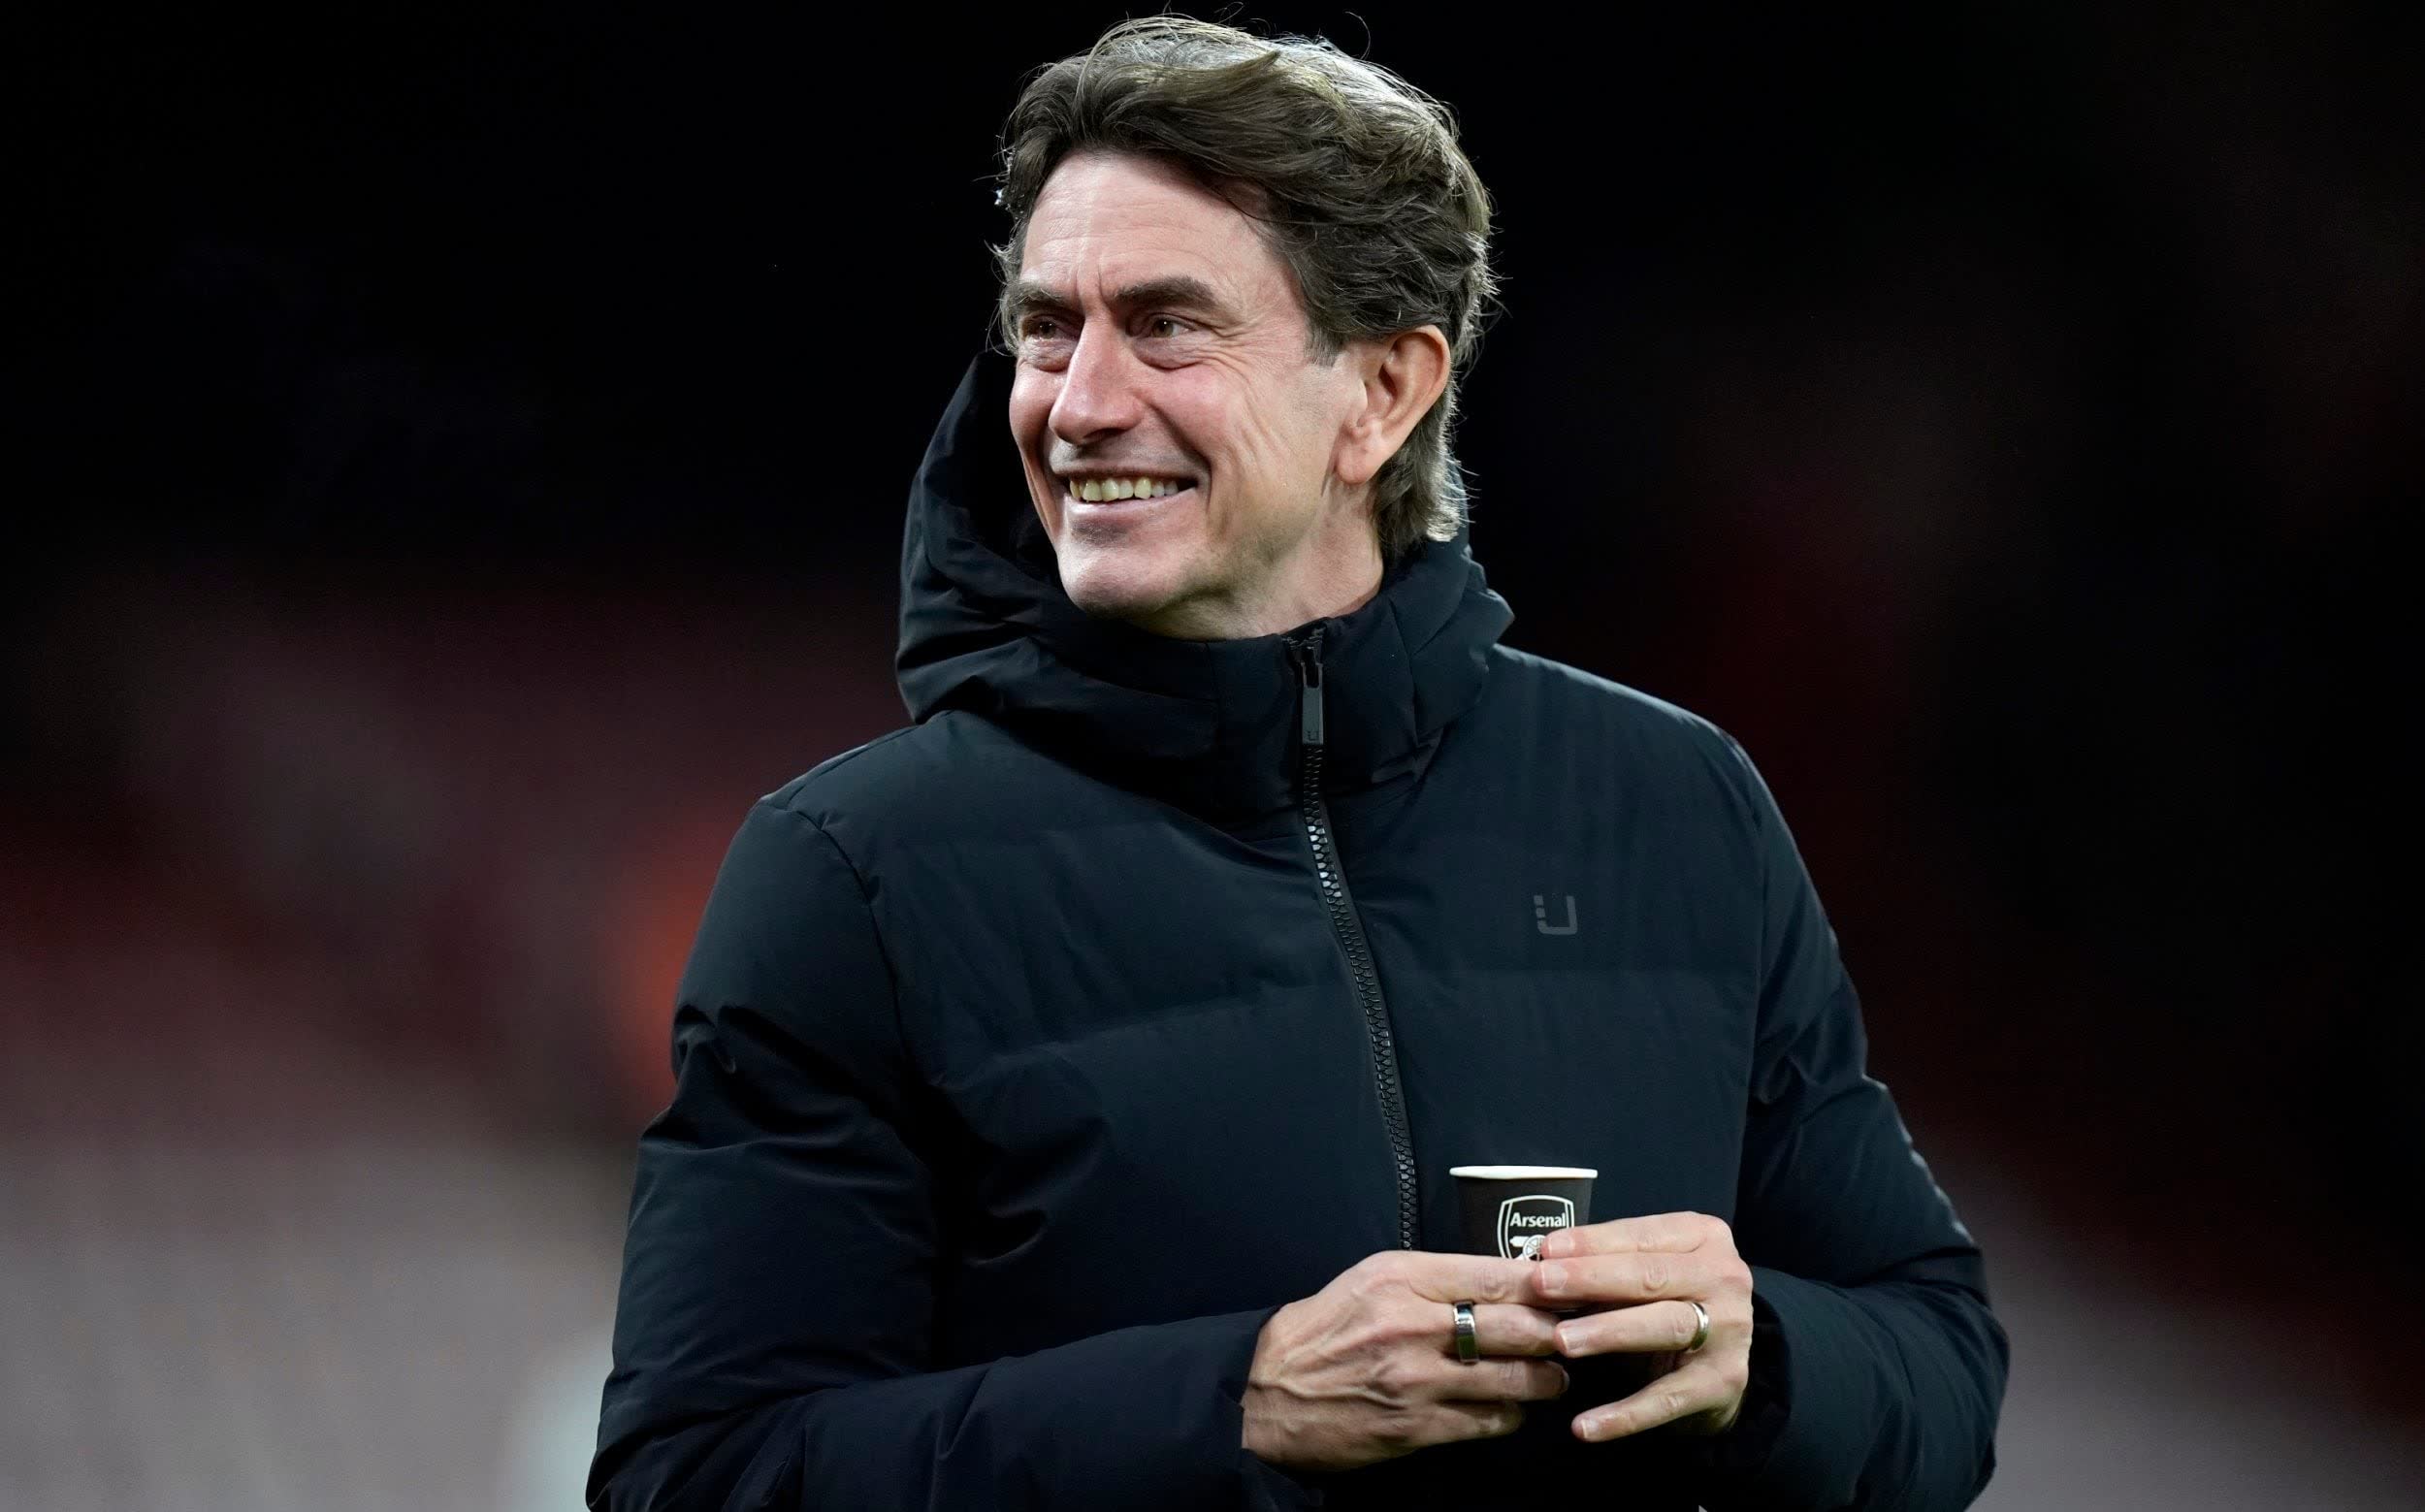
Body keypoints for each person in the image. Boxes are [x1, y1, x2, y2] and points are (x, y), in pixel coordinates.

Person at [590, 16, 2007, 1510]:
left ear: (1382, 393)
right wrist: (1237, 1407)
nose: (1078, 402)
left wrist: (1763, 1358)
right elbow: (697, 1475)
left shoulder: (1672, 808)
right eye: (1048, 328)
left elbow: (1940, 1362)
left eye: (1166, 325)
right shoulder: (855, 874)